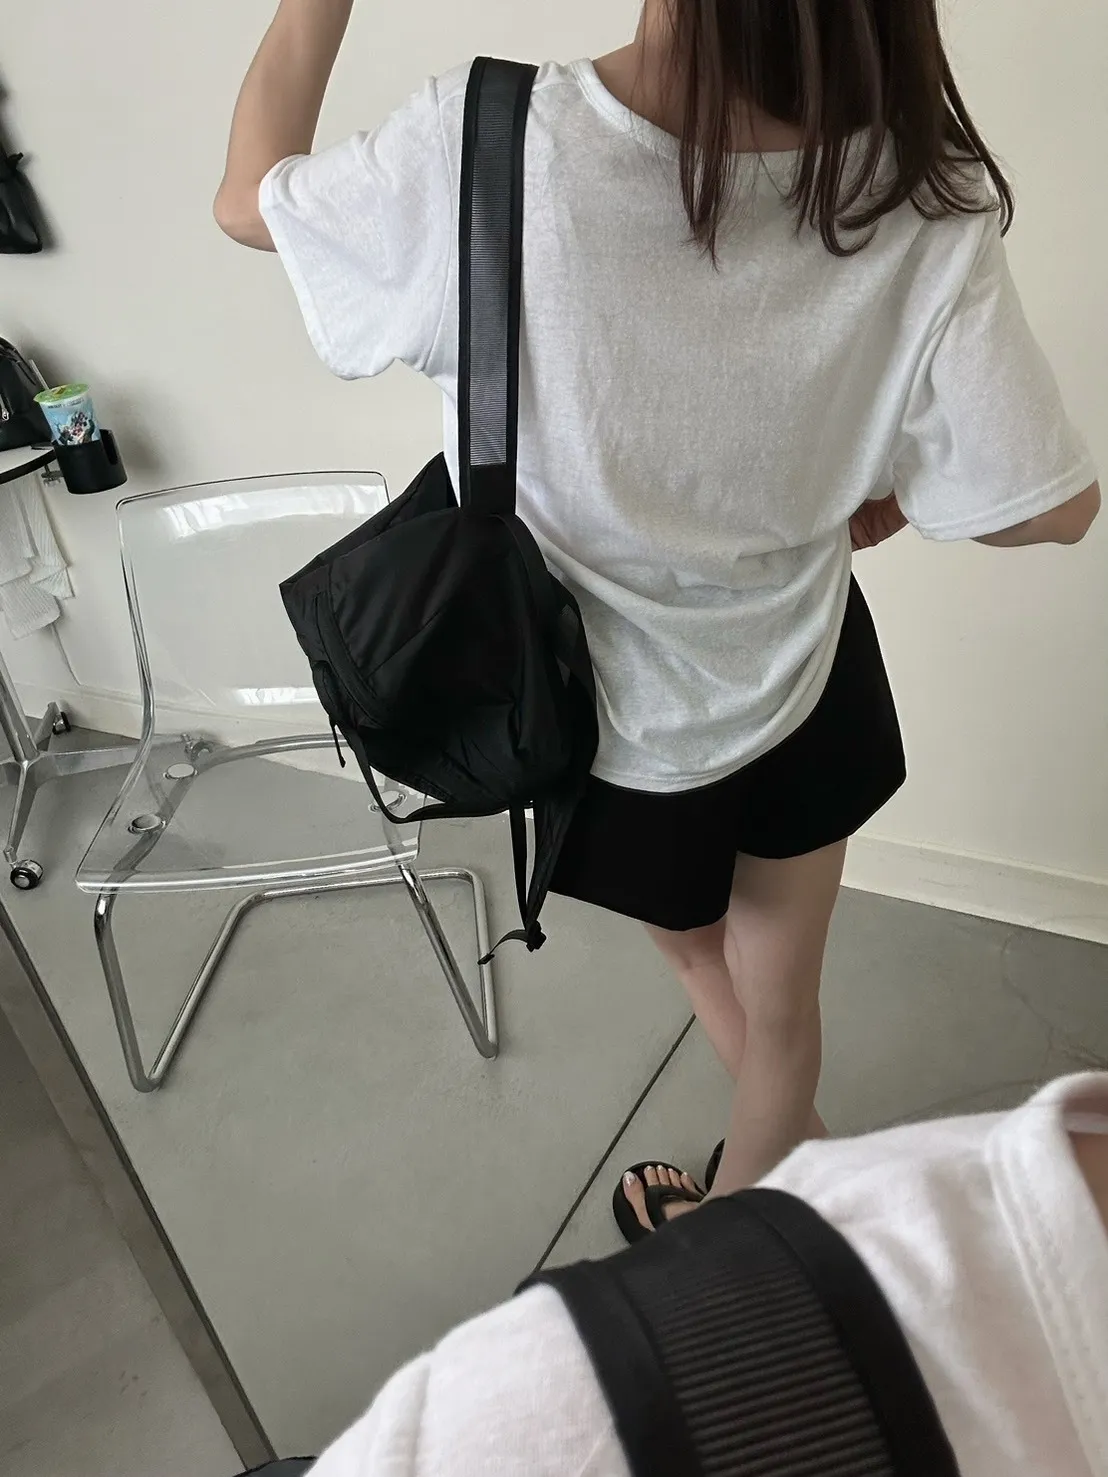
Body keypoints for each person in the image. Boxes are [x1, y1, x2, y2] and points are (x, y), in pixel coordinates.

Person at [215, 1, 1100, 1232]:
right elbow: (1052, 507)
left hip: (600, 718)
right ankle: (799, 1182)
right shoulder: (915, 188)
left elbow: (248, 197)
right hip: (802, 683)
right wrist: (892, 493)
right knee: (784, 1019)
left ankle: (746, 1250)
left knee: (694, 954)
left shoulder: (490, 139)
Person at [238, 1074, 1108, 1476]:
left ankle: (733, 1209)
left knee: (729, 970)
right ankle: (748, 1201)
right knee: (748, 977)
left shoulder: (532, 1409)